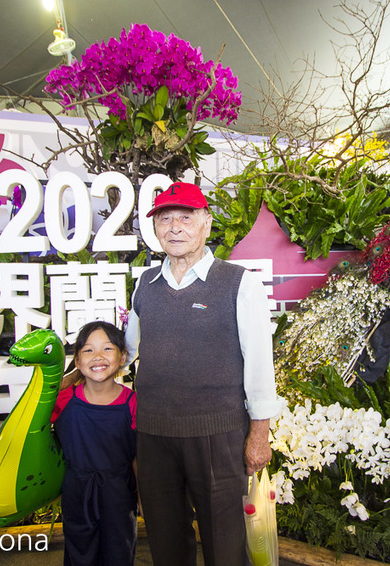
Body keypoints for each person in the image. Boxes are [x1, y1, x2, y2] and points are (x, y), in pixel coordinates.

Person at [125, 181, 285, 566]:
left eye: (185, 217)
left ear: (206, 223)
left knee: (225, 543)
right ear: (155, 227)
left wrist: (259, 435)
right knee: (165, 540)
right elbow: (128, 351)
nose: (174, 228)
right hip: (154, 435)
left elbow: (259, 362)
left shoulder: (238, 283)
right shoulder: (145, 284)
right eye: (165, 219)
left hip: (218, 436)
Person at [51, 320, 138, 566]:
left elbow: (138, 456)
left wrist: (143, 498)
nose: (98, 356)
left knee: (119, 553)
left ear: (122, 357)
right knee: (79, 553)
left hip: (119, 493)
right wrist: (71, 377)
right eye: (88, 350)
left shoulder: (133, 402)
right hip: (77, 491)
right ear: (77, 361)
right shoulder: (63, 399)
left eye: (107, 349)